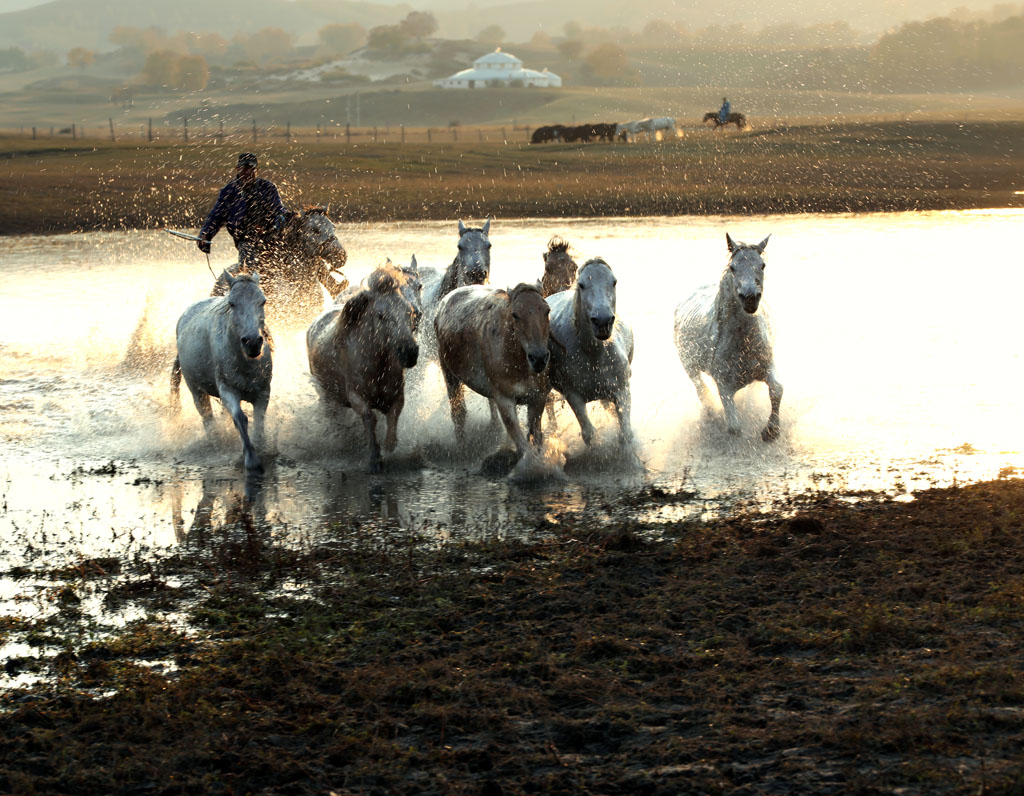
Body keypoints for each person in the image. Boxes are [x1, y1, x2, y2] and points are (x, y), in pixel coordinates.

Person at [197, 152, 287, 274]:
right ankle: (247, 281)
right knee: (247, 257)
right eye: (244, 169)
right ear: (238, 169)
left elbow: (279, 209)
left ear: (257, 170)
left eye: (251, 169)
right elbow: (216, 216)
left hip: (269, 236)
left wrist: (281, 217)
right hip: (244, 238)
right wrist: (205, 234)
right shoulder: (229, 191)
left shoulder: (268, 187)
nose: (247, 173)